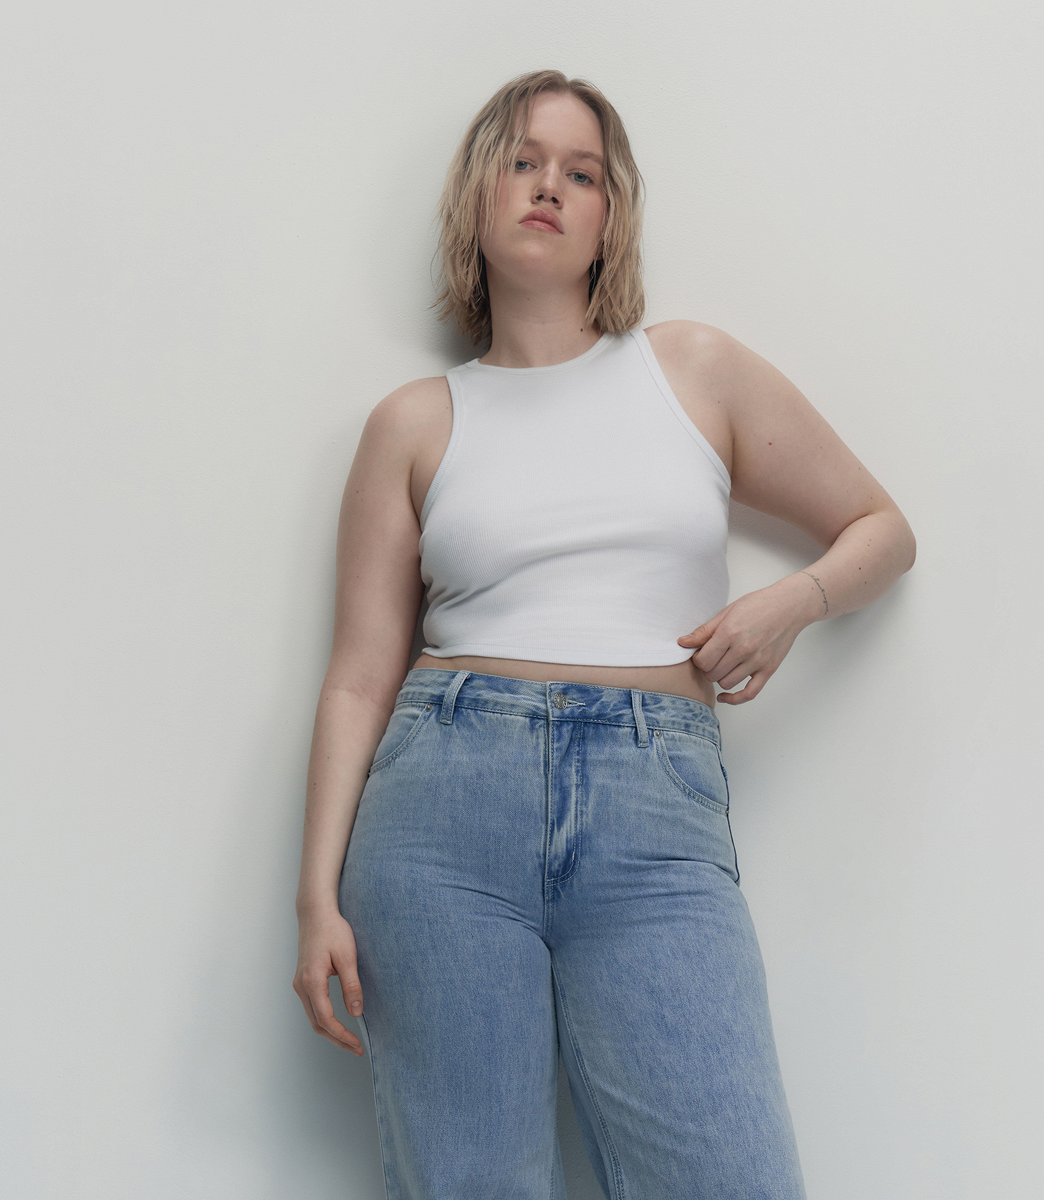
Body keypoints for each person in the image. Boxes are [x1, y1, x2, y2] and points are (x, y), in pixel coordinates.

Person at [293, 68, 915, 1199]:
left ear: (609, 216)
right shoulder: (414, 423)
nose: (550, 187)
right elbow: (357, 678)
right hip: (441, 814)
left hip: (652, 808)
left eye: (581, 173)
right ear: (477, 194)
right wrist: (315, 898)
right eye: (523, 161)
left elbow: (883, 531)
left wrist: (789, 603)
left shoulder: (693, 370)